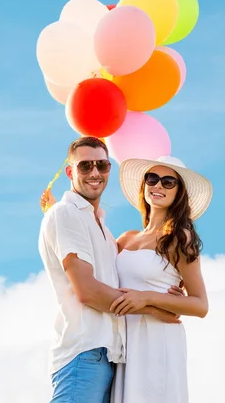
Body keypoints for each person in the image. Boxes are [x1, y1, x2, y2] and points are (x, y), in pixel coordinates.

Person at [38, 137, 185, 403]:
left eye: (102, 165)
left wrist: (165, 284)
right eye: (85, 166)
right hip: (83, 354)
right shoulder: (67, 214)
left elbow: (132, 270)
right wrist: (153, 308)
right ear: (70, 172)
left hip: (109, 357)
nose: (94, 172)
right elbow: (88, 292)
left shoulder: (103, 230)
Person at [108, 155, 213, 403]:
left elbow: (200, 305)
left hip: (158, 340)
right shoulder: (125, 239)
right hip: (124, 338)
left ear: (179, 193)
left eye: (168, 182)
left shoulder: (179, 238)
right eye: (152, 179)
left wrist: (146, 298)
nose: (158, 186)